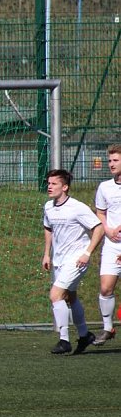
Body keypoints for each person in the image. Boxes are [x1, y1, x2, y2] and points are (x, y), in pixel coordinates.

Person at [41, 169, 103, 355]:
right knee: (70, 296)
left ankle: (64, 340)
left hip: (76, 260)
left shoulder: (77, 207)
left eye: (54, 184)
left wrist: (87, 253)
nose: (49, 186)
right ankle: (84, 335)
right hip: (59, 260)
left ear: (65, 187)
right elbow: (48, 228)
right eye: (48, 183)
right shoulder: (48, 207)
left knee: (55, 295)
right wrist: (46, 254)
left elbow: (98, 228)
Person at [93, 144, 121, 346]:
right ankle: (107, 327)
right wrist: (108, 229)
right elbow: (100, 213)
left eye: (115, 160)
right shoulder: (104, 187)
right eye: (110, 160)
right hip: (112, 245)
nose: (111, 164)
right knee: (105, 288)